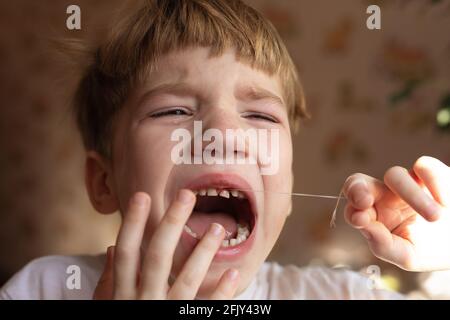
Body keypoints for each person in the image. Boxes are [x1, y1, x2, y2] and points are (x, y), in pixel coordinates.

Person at [1, 0, 449, 300]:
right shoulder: (44, 288)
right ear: (103, 182)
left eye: (260, 116)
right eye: (173, 111)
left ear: (287, 191)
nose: (224, 134)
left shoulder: (345, 294)